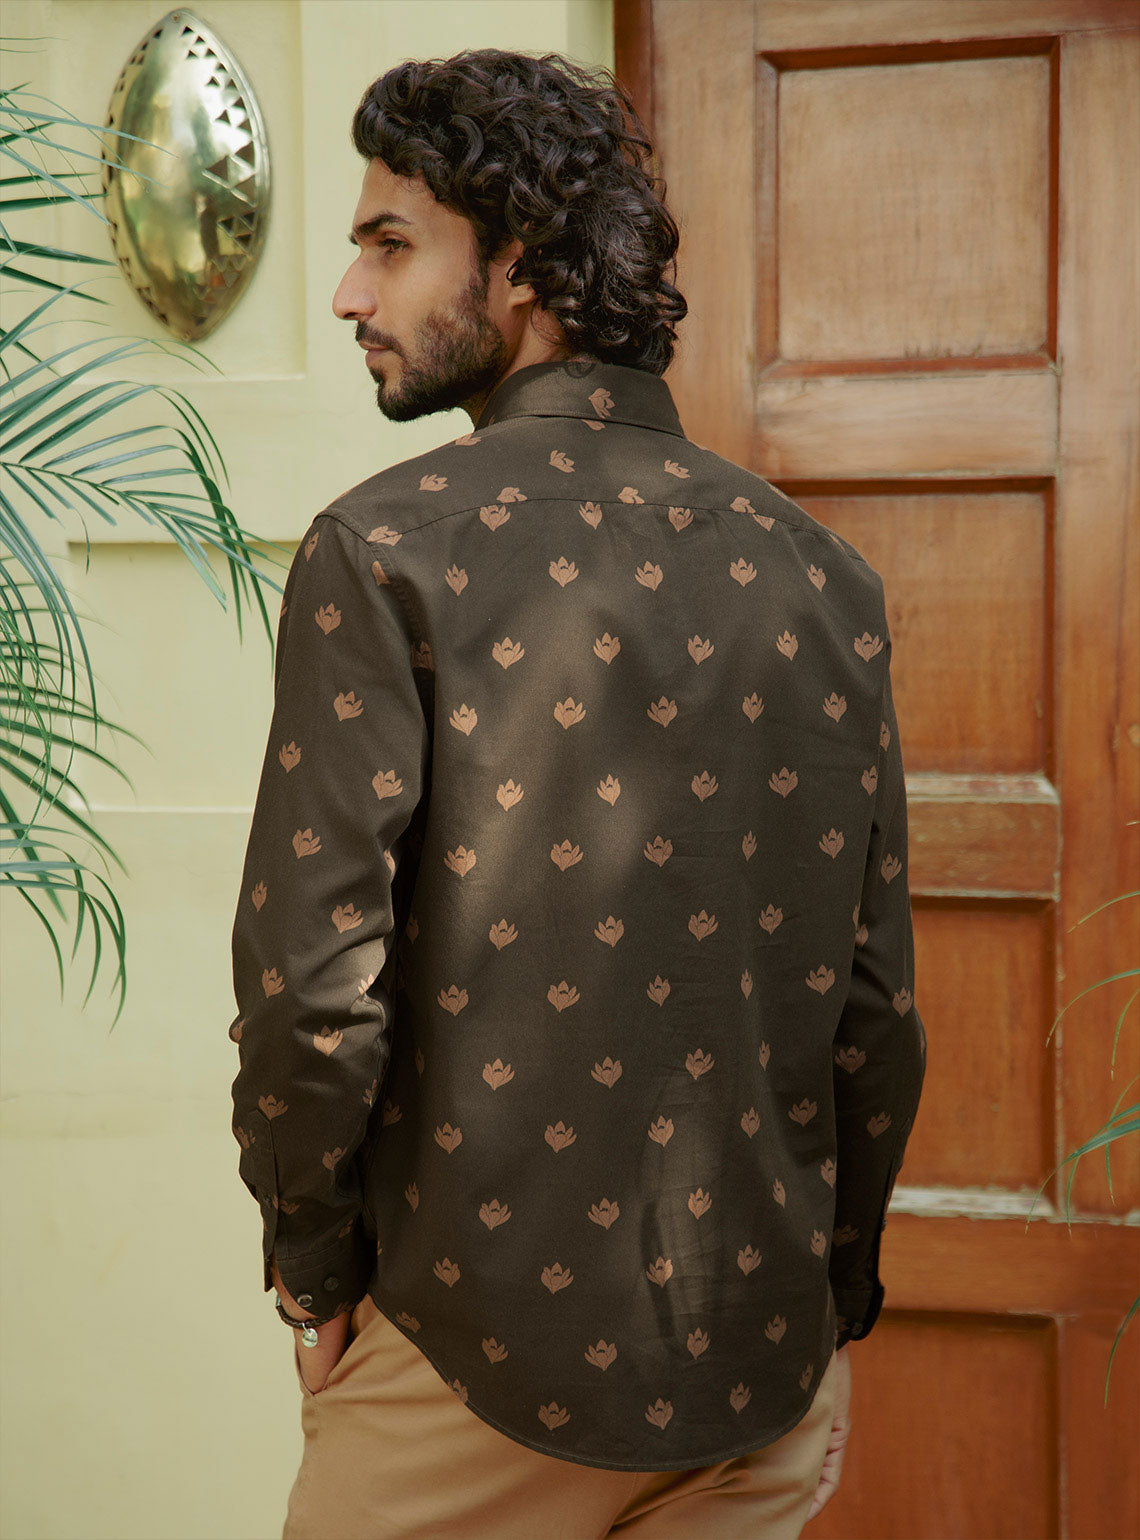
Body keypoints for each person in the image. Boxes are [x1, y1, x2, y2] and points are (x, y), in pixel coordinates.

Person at [227, 47, 926, 1540]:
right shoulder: (827, 576)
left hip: (465, 1372)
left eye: (390, 243)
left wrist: (313, 1269)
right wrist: (835, 1292)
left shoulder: (383, 549)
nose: (348, 294)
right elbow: (874, 1009)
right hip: (758, 1368)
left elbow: (311, 991)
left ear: (527, 266)